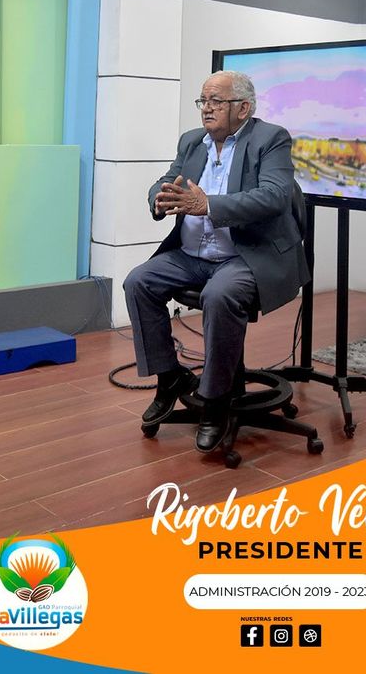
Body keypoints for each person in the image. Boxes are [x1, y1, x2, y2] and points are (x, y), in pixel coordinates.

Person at [123, 70, 309, 453]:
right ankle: (169, 377)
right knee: (138, 282)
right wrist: (160, 197)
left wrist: (208, 205)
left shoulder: (270, 139)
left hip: (246, 255)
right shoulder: (193, 141)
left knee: (220, 295)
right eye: (203, 101)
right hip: (193, 254)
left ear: (243, 108)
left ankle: (216, 400)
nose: (206, 108)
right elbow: (168, 179)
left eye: (216, 101)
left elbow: (274, 196)